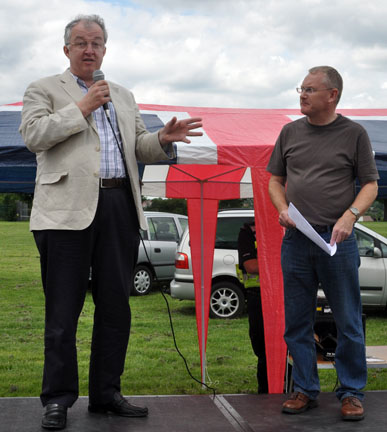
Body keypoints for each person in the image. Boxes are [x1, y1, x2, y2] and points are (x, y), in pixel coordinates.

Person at [19, 14, 202, 431]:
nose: (90, 49)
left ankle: (106, 393)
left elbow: (137, 145)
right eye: (81, 42)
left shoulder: (122, 94)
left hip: (119, 203)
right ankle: (58, 399)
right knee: (63, 310)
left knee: (116, 307)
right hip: (64, 211)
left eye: (97, 42)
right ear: (66, 49)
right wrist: (81, 106)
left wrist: (162, 139)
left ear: (105, 49)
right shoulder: (44, 88)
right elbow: (34, 135)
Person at [266, 66, 378, 421]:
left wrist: (350, 216)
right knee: (297, 321)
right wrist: (283, 209)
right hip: (297, 239)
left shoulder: (355, 133)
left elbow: (371, 185)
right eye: (302, 88)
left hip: (338, 240)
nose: (302, 94)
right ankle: (304, 389)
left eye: (311, 90)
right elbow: (274, 181)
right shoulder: (289, 132)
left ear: (333, 95)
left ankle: (351, 392)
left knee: (347, 321)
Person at [237, 221, 268, 394]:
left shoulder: (291, 226)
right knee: (263, 351)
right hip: (258, 296)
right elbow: (250, 266)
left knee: (292, 349)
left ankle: (294, 389)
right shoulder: (249, 230)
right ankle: (265, 393)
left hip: (288, 296)